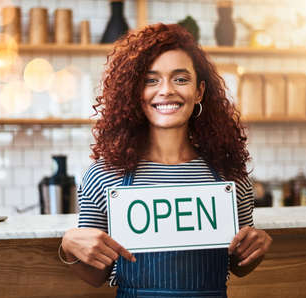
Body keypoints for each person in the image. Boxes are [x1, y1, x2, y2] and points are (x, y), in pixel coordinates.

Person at [60, 23, 272, 297]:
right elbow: (95, 276)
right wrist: (68, 246)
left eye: (180, 79)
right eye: (151, 80)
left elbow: (239, 265)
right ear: (135, 93)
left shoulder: (230, 174)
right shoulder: (103, 175)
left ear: (199, 92)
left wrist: (256, 248)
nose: (166, 90)